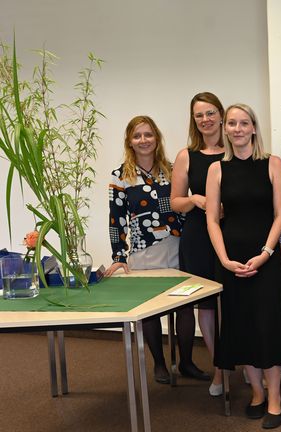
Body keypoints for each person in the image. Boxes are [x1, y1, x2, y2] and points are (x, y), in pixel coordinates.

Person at [206, 103, 281, 429]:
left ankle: (273, 398)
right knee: (241, 327)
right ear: (226, 128)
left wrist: (267, 252)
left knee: (267, 327)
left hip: (263, 258)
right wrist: (224, 258)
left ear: (254, 128)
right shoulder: (217, 170)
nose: (238, 128)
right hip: (231, 258)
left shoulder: (272, 164)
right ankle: (256, 391)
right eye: (232, 123)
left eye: (244, 123)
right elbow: (212, 219)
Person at [106, 115, 195, 385]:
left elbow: (185, 204)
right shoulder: (120, 177)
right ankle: (159, 364)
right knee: (152, 310)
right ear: (129, 142)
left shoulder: (173, 169)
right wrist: (119, 256)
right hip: (145, 251)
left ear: (157, 138)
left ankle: (187, 362)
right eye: (137, 136)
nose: (143, 140)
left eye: (148, 135)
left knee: (185, 307)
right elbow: (116, 218)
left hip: (179, 245)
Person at [170, 92, 225, 392]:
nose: (205, 120)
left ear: (221, 113)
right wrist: (194, 198)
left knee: (234, 302)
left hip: (232, 234)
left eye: (210, 113)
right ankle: (219, 368)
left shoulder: (236, 149)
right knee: (206, 305)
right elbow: (175, 202)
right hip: (198, 236)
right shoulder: (186, 156)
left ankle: (240, 361)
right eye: (199, 115)